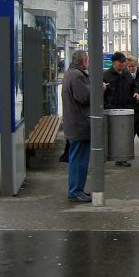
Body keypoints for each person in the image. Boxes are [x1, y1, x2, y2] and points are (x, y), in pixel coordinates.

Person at [62, 50, 92, 203]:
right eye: (87, 60)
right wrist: (101, 88)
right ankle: (75, 191)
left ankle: (77, 189)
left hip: (74, 123)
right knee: (79, 159)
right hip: (80, 124)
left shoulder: (70, 74)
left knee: (78, 158)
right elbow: (84, 97)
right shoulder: (77, 76)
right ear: (83, 61)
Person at [102, 51, 137, 166]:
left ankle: (121, 157)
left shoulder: (126, 74)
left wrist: (136, 93)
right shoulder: (106, 75)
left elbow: (134, 85)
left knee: (123, 134)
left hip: (125, 108)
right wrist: (106, 105)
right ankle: (111, 155)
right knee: (112, 134)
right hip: (111, 109)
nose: (123, 64)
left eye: (124, 62)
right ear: (114, 62)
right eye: (121, 62)